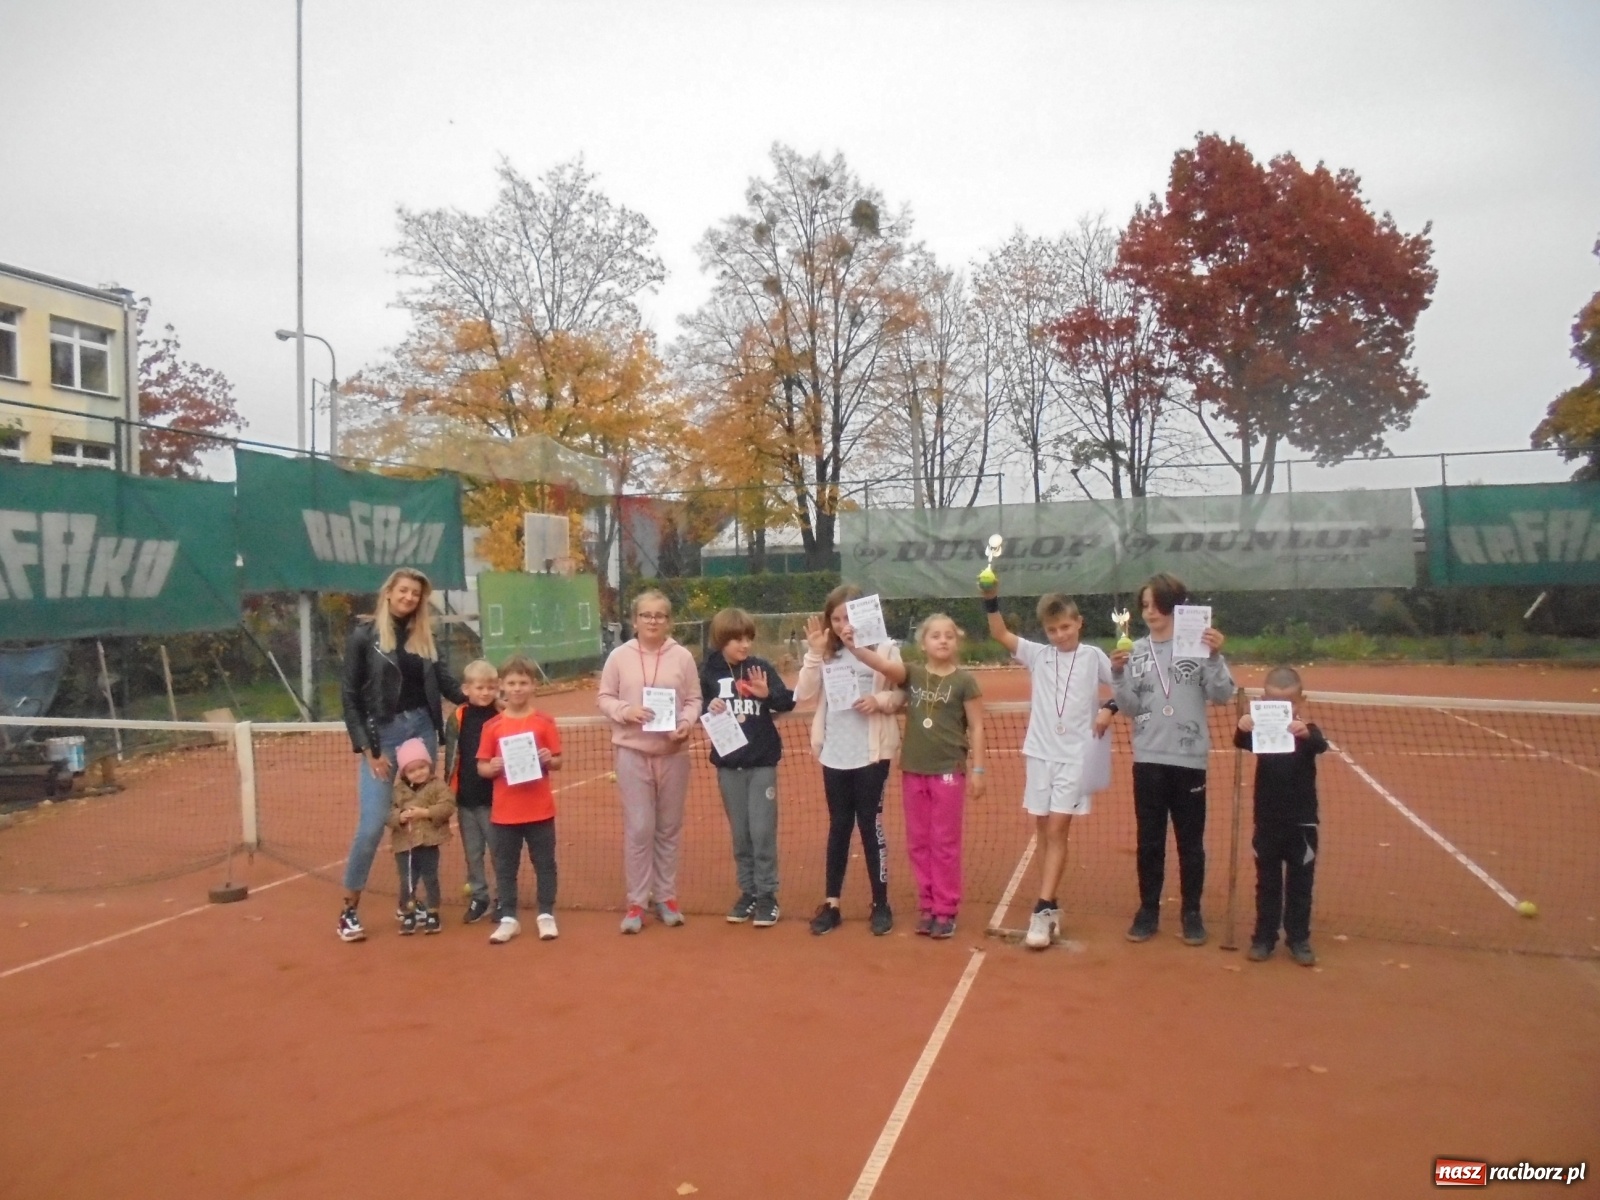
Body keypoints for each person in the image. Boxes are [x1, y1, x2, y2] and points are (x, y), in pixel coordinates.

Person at [980, 580, 1115, 950]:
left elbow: (1124, 687)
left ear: (1079, 623)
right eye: (1052, 630)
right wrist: (991, 600)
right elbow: (1000, 632)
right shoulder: (1037, 655)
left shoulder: (1094, 657)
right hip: (1039, 754)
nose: (1059, 635)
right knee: (1043, 829)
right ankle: (1052, 903)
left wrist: (1109, 709)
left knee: (1057, 829)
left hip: (1076, 757)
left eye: (1065, 627)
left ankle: (1040, 909)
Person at [336, 568, 464, 943]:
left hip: (421, 731)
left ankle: (408, 902)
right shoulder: (364, 635)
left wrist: (481, 700)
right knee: (375, 822)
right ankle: (348, 910)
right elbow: (349, 694)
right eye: (404, 591)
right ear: (389, 591)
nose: (409, 598)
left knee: (419, 822)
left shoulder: (425, 635)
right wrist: (366, 747)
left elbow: (444, 682)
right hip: (383, 737)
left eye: (416, 594)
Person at [1110, 572, 1234, 947]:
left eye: (1158, 605)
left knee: (1190, 842)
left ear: (1176, 607)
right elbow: (1130, 708)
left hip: (1189, 760)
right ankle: (1148, 910)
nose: (1150, 613)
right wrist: (1117, 674)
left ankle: (1192, 912)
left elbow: (1224, 694)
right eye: (1145, 605)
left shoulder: (1199, 647)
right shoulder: (1136, 651)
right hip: (1148, 759)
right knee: (1150, 841)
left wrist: (1214, 656)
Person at [847, 614, 985, 939]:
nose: (942, 640)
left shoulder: (965, 682)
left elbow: (977, 726)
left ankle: (946, 908)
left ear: (956, 641)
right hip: (913, 771)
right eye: (935, 635)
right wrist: (854, 646)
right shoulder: (914, 674)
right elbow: (882, 665)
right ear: (923, 643)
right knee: (918, 843)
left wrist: (978, 769)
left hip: (949, 771)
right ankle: (927, 906)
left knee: (945, 843)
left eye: (949, 635)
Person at [793, 584, 904, 937]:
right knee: (839, 826)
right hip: (835, 754)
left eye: (848, 617)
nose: (843, 625)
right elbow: (803, 694)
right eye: (836, 619)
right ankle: (832, 904)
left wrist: (881, 702)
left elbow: (903, 690)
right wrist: (813, 653)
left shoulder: (885, 649)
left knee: (869, 825)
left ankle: (881, 903)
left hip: (872, 754)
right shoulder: (826, 654)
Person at [597, 590, 702, 934]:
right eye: (646, 615)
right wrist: (626, 712)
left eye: (659, 615)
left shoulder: (683, 657)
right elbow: (605, 697)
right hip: (632, 753)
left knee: (668, 828)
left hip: (673, 754)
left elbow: (693, 699)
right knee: (640, 829)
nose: (653, 621)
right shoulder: (618, 657)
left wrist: (686, 723)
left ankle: (667, 897)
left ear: (669, 621)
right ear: (635, 620)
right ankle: (637, 902)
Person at [700, 607, 796, 928]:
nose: (744, 645)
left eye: (748, 639)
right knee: (741, 835)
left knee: (762, 831)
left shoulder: (760, 668)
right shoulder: (710, 671)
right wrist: (707, 705)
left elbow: (786, 701)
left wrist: (767, 694)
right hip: (729, 766)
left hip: (762, 764)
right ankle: (749, 892)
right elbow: (695, 703)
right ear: (721, 640)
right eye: (737, 639)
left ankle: (768, 895)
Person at [1234, 666, 1328, 966]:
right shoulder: (1261, 731)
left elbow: (1319, 744)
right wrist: (1244, 724)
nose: (1285, 708)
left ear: (1301, 701)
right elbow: (1240, 741)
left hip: (1302, 824)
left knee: (1301, 885)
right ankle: (1263, 938)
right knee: (1268, 883)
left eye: (1290, 703)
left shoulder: (1308, 732)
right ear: (1264, 699)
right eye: (1276, 701)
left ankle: (1299, 939)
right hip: (1267, 821)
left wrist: (1307, 731)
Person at [478, 655, 563, 944]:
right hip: (505, 813)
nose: (517, 688)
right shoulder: (492, 726)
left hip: (539, 810)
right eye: (511, 683)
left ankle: (546, 915)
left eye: (523, 682)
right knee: (505, 866)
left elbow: (558, 760)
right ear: (502, 686)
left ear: (533, 685)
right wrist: (493, 767)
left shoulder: (544, 722)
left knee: (545, 864)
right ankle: (508, 918)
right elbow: (482, 765)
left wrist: (549, 759)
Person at [444, 659, 500, 924]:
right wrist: (448, 791)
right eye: (480, 687)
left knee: (499, 850)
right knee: (473, 852)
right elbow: (452, 756)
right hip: (465, 799)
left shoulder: (501, 715)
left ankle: (503, 897)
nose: (485, 692)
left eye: (491, 687)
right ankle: (480, 896)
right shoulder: (457, 718)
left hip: (495, 799)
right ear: (466, 689)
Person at [386, 738, 456, 935]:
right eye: (412, 770)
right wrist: (399, 817)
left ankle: (433, 912)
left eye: (422, 767)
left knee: (430, 877)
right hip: (404, 845)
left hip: (428, 842)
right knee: (407, 880)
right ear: (404, 773)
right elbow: (387, 813)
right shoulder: (397, 791)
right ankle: (408, 913)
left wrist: (425, 813)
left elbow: (448, 805)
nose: (418, 773)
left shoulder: (437, 786)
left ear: (429, 765)